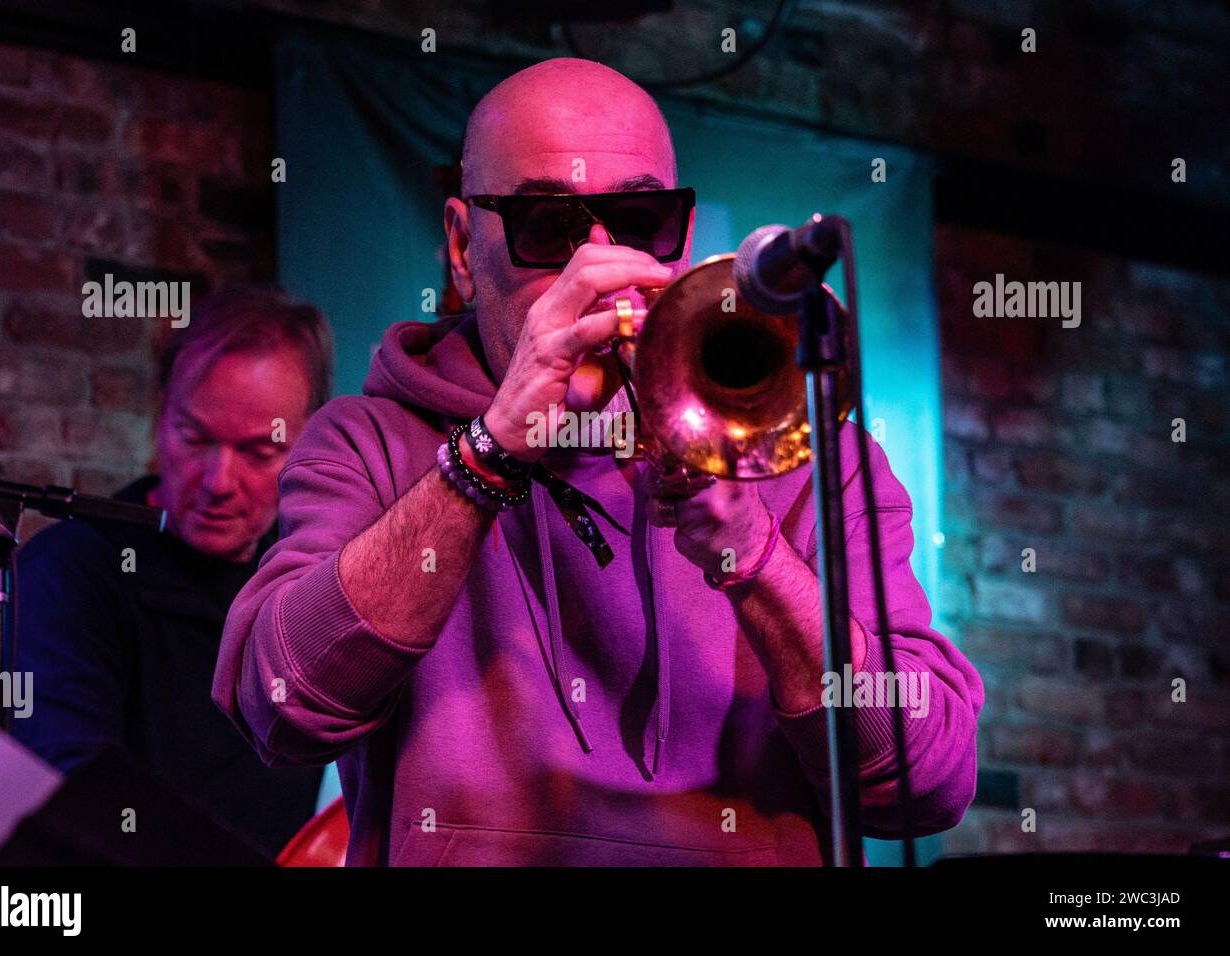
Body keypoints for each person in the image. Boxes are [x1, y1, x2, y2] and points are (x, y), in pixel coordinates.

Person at [214, 58, 984, 865]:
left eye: (639, 217)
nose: (595, 262)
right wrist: (489, 454)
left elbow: (925, 783)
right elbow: (282, 707)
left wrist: (754, 555)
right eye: (547, 224)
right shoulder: (366, 441)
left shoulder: (813, 457)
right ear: (460, 245)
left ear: (679, 238)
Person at [1, 285, 330, 857]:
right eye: (194, 437)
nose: (217, 481)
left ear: (310, 441)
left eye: (258, 451)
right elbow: (70, 800)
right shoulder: (71, 571)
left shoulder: (314, 587)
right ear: (161, 414)